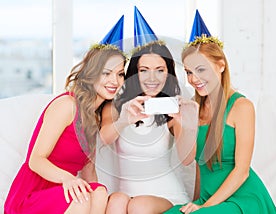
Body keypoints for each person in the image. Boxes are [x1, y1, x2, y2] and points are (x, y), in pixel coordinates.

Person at [4, 16, 127, 214]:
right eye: (106, 73)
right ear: (92, 73)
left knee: (99, 192)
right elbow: (35, 160)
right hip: (31, 196)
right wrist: (68, 178)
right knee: (82, 200)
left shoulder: (93, 120)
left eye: (120, 74)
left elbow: (88, 173)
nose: (115, 80)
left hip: (66, 193)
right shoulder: (67, 105)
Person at [164, 10, 276, 214]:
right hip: (208, 199)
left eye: (201, 69)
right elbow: (195, 163)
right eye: (189, 72)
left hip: (241, 199)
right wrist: (196, 201)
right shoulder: (193, 108)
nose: (193, 79)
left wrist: (203, 207)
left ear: (221, 66)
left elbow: (241, 171)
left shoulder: (242, 107)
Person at [100, 7, 199, 214]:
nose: (151, 78)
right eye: (144, 71)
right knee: (117, 200)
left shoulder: (172, 110)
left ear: (168, 74)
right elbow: (99, 141)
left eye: (159, 70)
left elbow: (188, 159)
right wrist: (125, 119)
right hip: (127, 197)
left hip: (165, 198)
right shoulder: (117, 107)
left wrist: (187, 124)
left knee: (138, 205)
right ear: (134, 74)